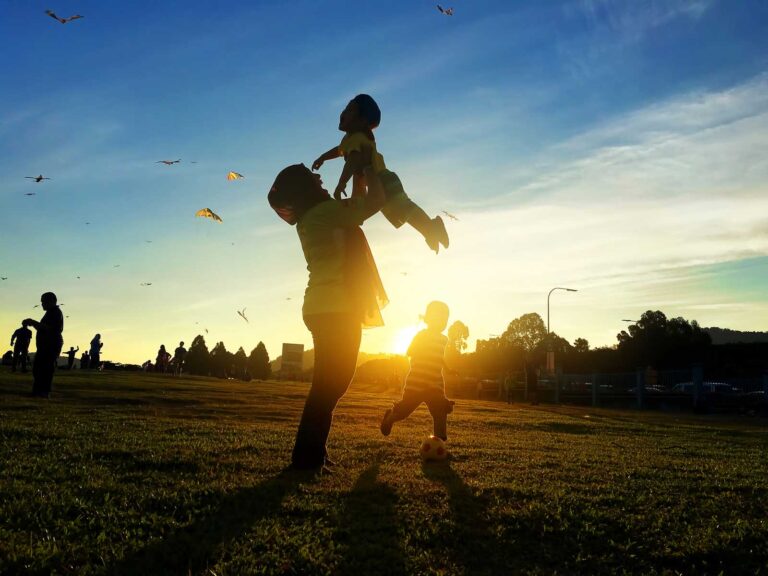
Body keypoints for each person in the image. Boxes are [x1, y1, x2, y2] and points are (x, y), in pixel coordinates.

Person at [268, 146, 387, 471]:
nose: (320, 179)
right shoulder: (325, 214)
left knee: (331, 383)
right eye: (313, 178)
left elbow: (357, 204)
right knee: (330, 384)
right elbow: (374, 203)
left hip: (323, 306)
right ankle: (306, 458)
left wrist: (359, 175)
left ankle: (314, 453)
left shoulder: (316, 216)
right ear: (306, 188)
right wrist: (370, 170)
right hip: (336, 307)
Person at [312, 94, 449, 253]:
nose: (343, 113)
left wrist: (341, 182)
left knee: (402, 208)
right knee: (401, 210)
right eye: (345, 108)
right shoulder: (350, 139)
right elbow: (339, 150)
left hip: (381, 179)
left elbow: (353, 161)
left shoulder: (357, 138)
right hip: (376, 180)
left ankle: (431, 228)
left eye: (350, 110)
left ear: (362, 120)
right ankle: (429, 230)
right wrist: (323, 157)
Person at [380, 301, 456, 441]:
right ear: (428, 318)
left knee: (440, 410)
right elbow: (410, 351)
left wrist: (448, 369)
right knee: (404, 411)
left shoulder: (443, 339)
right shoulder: (421, 335)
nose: (442, 322)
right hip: (417, 382)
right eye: (438, 318)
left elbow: (439, 357)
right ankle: (390, 418)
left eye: (445, 319)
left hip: (435, 383)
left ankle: (439, 440)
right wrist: (420, 349)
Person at [22, 292, 64, 398]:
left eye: (44, 301)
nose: (42, 304)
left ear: (52, 301)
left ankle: (43, 392)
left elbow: (48, 328)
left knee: (45, 368)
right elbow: (43, 328)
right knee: (38, 368)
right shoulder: (51, 312)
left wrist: (33, 322)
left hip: (51, 344)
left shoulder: (55, 312)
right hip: (46, 344)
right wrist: (34, 324)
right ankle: (38, 391)